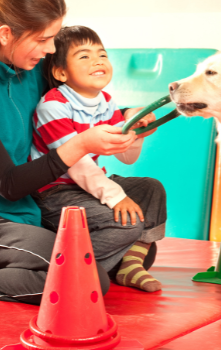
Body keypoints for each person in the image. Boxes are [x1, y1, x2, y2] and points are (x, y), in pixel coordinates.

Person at [0, 0, 156, 305]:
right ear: (5, 34)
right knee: (89, 281)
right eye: (43, 39)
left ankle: (58, 262)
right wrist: (81, 144)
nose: (52, 49)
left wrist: (127, 116)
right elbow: (9, 185)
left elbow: (72, 102)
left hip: (36, 212)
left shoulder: (28, 66)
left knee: (139, 238)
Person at [30, 25, 166, 293]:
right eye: (84, 56)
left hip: (88, 184)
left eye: (101, 54)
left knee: (151, 189)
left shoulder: (106, 101)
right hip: (55, 192)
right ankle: (72, 271)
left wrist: (137, 131)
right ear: (60, 72)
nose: (97, 61)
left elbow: (126, 156)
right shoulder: (53, 106)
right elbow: (75, 164)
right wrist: (116, 197)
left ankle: (130, 265)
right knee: (127, 223)